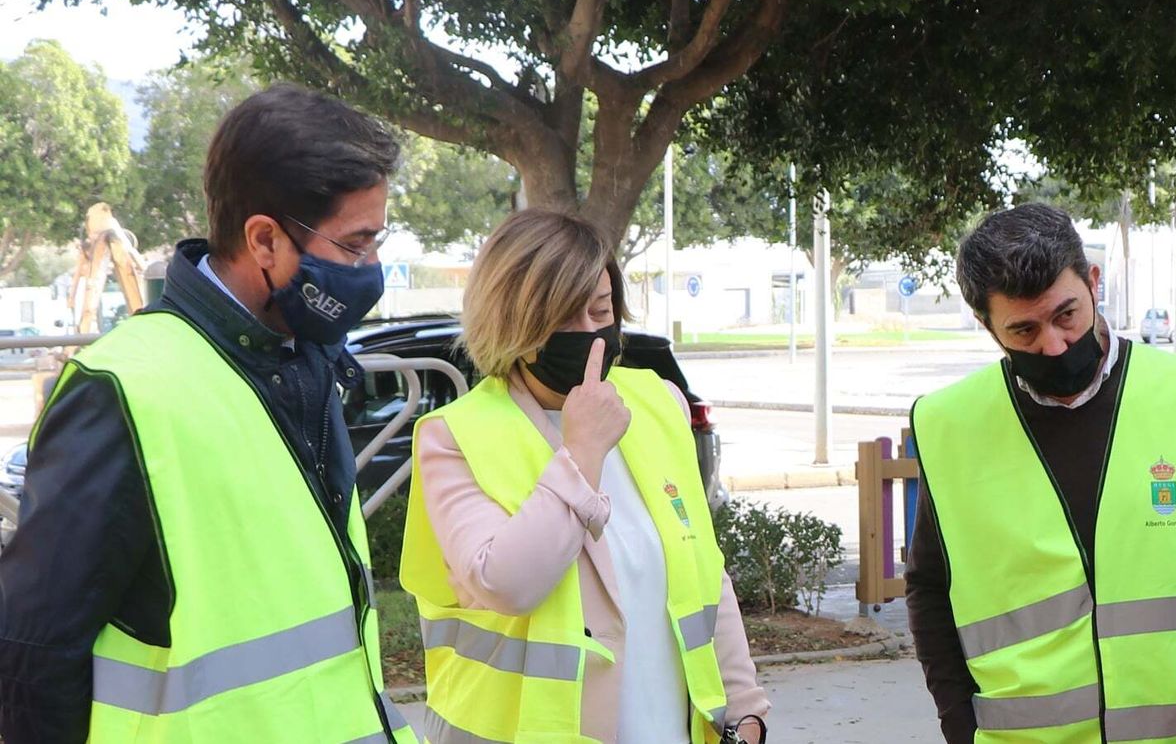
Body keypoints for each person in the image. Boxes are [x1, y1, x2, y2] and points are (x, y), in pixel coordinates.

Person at [0, 85, 416, 742]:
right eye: (357, 244)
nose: (372, 268)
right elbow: (34, 655)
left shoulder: (305, 353)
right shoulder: (124, 389)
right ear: (264, 240)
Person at [399, 210, 769, 744]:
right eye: (566, 319)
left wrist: (746, 712)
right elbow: (507, 584)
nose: (592, 335)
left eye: (601, 311)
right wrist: (583, 451)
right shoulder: (455, 436)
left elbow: (704, 575)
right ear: (513, 323)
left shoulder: (657, 403)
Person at [905, 203, 1176, 743]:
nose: (1052, 345)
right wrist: (959, 728)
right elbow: (930, 588)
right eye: (1023, 330)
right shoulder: (950, 425)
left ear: (1093, 282)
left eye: (1065, 314)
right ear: (985, 323)